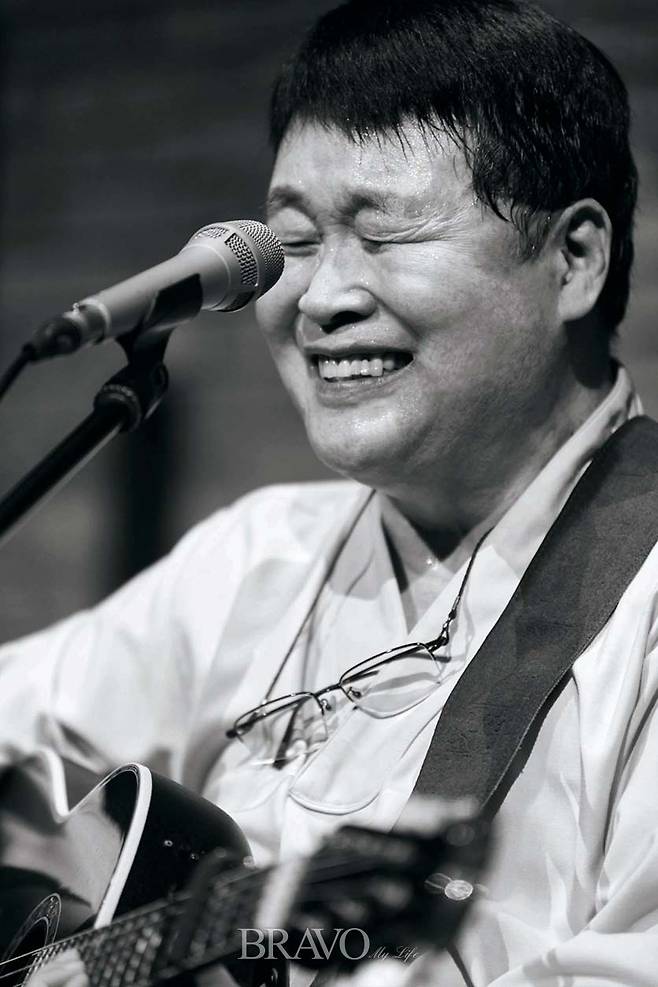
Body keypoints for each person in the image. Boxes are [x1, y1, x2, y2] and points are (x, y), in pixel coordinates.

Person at [2, 0, 656, 983]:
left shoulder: (643, 600)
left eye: (384, 234)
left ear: (574, 260)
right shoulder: (256, 556)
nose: (319, 298)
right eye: (295, 241)